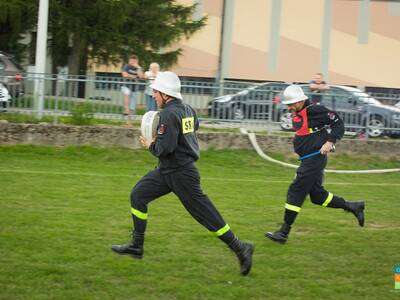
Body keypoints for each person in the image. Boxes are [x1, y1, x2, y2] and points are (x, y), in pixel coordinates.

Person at [112, 71, 254, 276]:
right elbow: (192, 127)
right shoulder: (188, 109)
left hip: (181, 174)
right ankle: (137, 245)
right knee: (138, 195)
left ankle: (241, 248)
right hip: (167, 171)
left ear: (166, 94)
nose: (153, 95)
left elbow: (164, 149)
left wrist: (150, 144)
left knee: (206, 216)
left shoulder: (168, 114)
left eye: (155, 91)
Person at [265, 85, 365, 244]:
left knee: (296, 190)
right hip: (307, 159)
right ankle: (353, 206)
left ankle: (283, 233)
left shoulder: (315, 110)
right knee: (318, 197)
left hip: (315, 159)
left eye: (291, 104)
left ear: (299, 101)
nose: (289, 108)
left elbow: (338, 123)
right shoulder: (298, 112)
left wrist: (330, 141)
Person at [121, 55, 145, 125]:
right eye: (131, 61)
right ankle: (125, 110)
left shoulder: (138, 68)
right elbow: (124, 75)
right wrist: (133, 76)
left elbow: (141, 76)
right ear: (129, 61)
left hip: (134, 89)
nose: (132, 63)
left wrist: (138, 67)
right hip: (126, 86)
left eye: (134, 62)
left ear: (137, 62)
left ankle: (129, 122)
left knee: (132, 106)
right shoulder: (127, 66)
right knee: (127, 93)